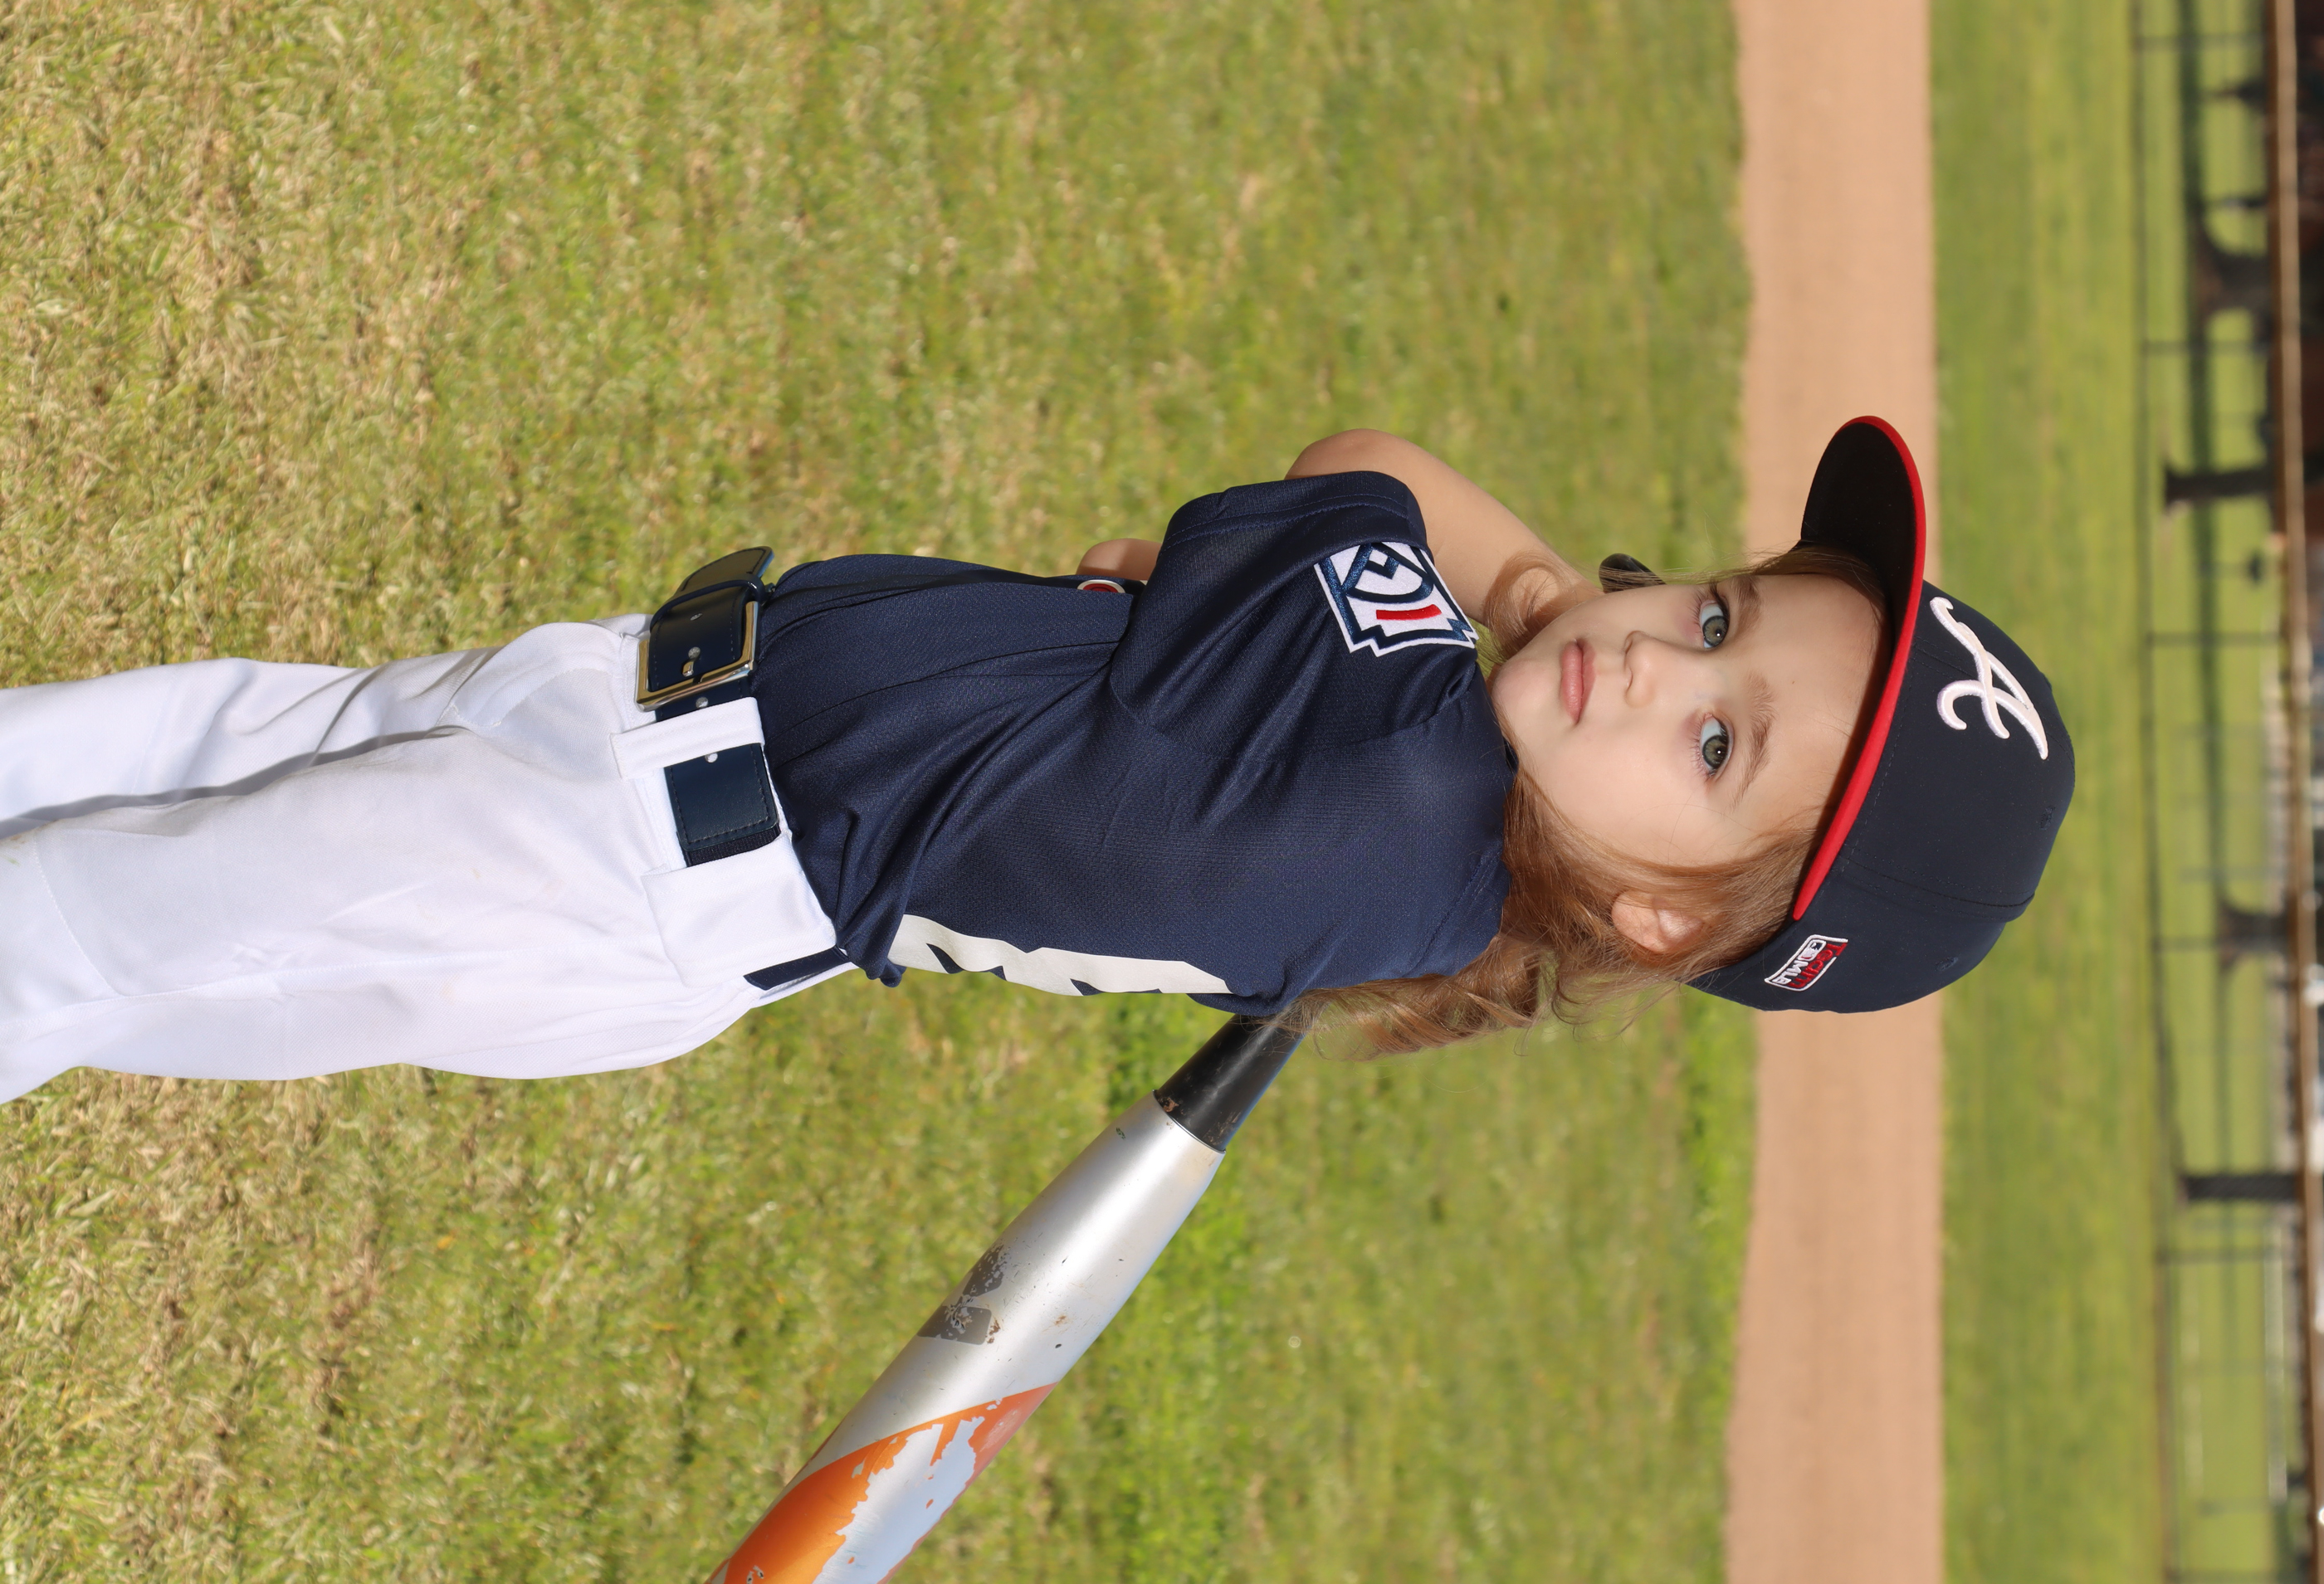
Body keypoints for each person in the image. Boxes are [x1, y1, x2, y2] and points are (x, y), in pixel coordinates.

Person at [0, 417, 2071, 1100]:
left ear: (1660, 918)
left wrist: (1495, 593)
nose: (1639, 649)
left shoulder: (1393, 808)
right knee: (153, 797)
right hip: (616, 734)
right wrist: (1521, 600)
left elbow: (1355, 467)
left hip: (597, 854)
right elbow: (1330, 512)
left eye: (1714, 743)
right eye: (1713, 611)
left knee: (75, 921)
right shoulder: (1428, 797)